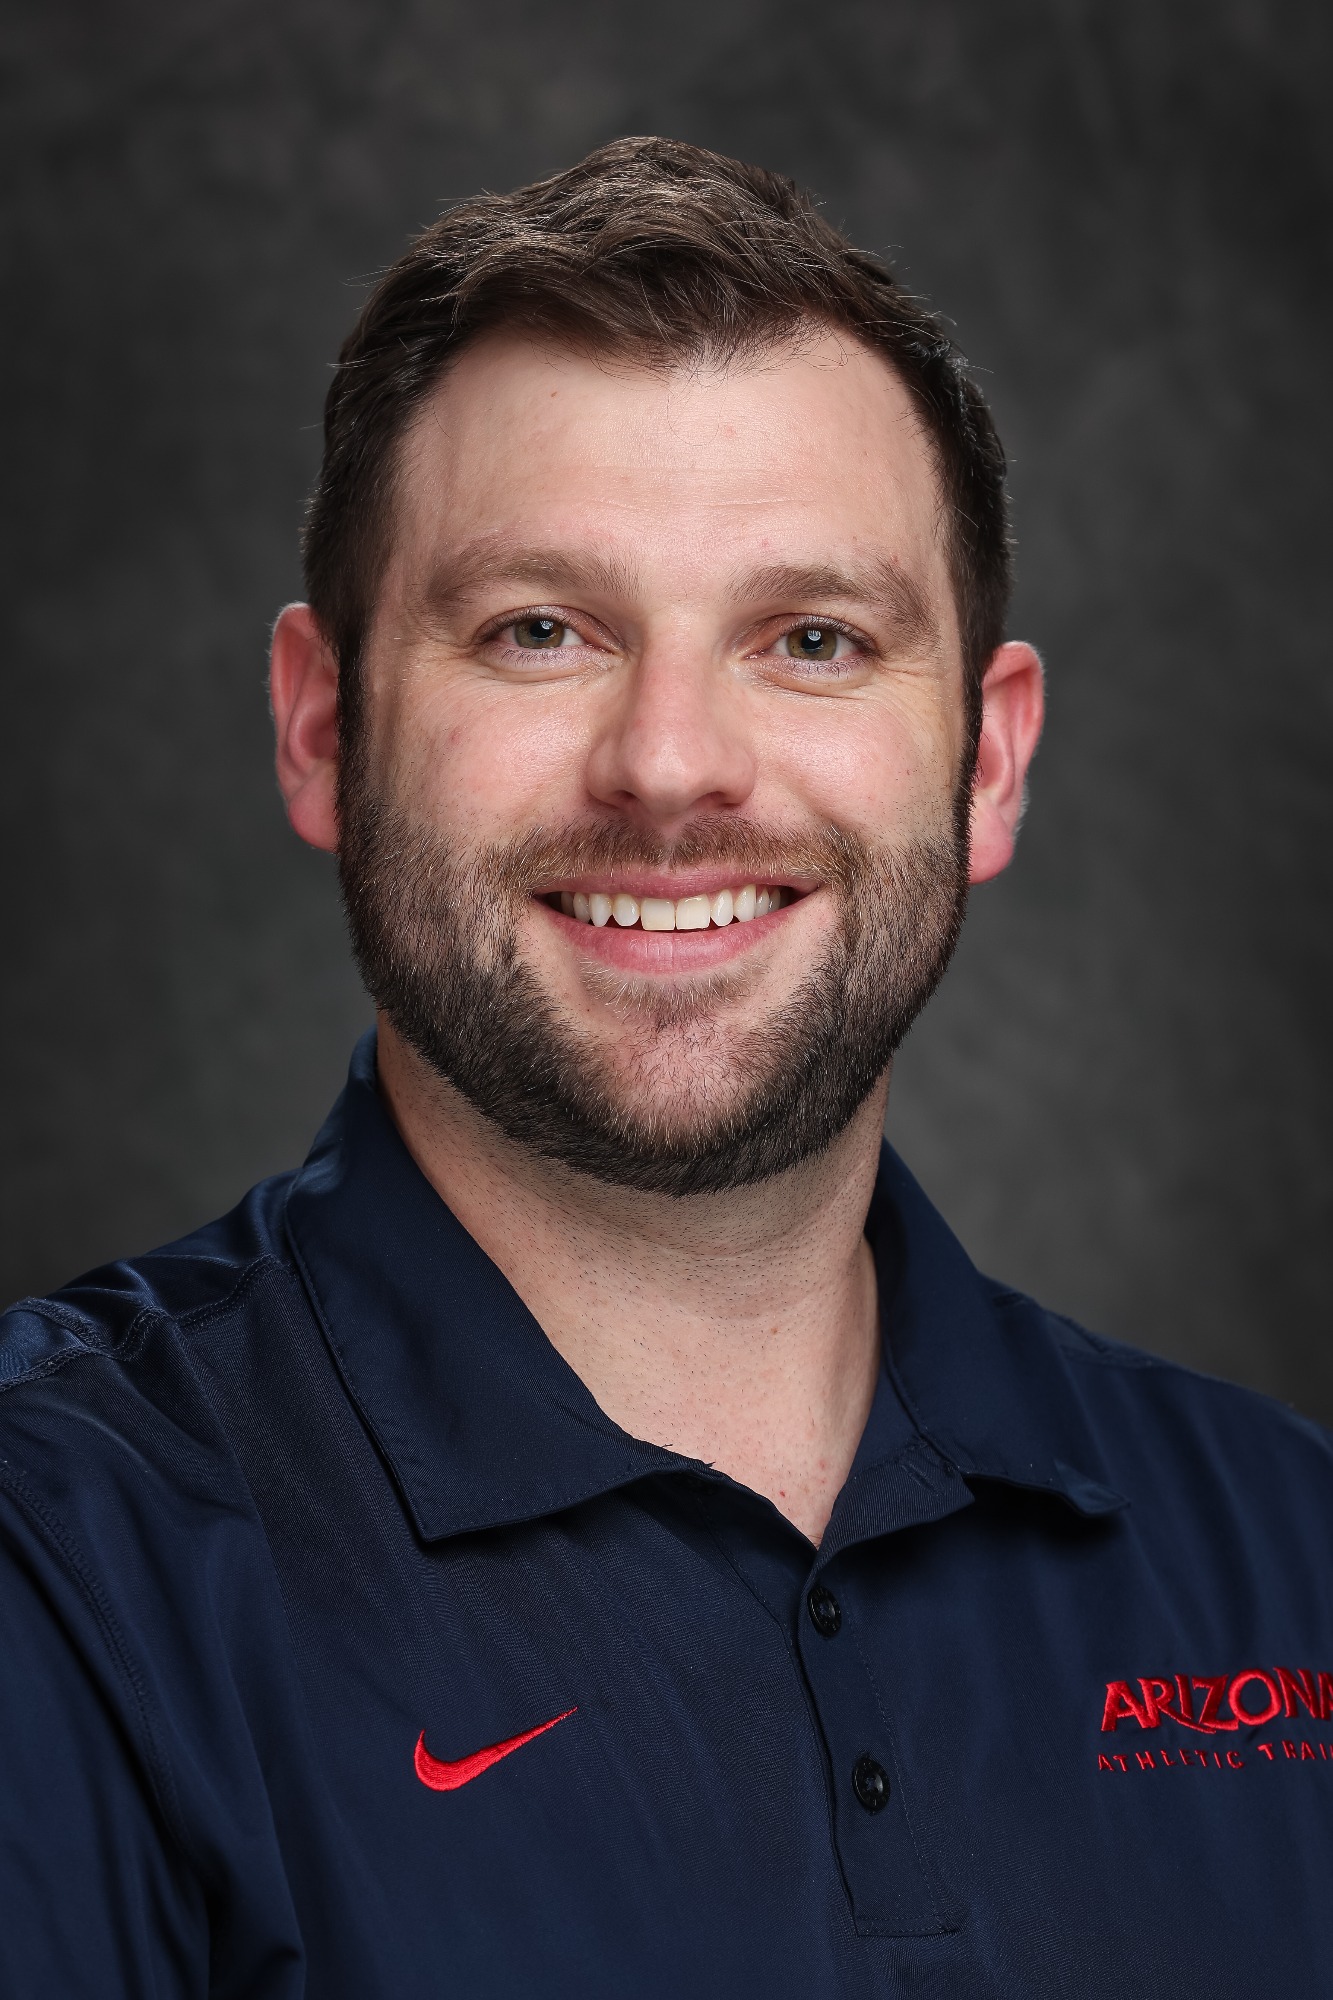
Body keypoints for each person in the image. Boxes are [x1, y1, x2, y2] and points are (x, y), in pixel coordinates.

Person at [1, 136, 1329, 2000]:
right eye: (540, 630)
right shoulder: (63, 1564)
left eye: (810, 639)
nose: (671, 765)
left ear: (988, 762)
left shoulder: (1289, 1549)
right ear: (323, 726)